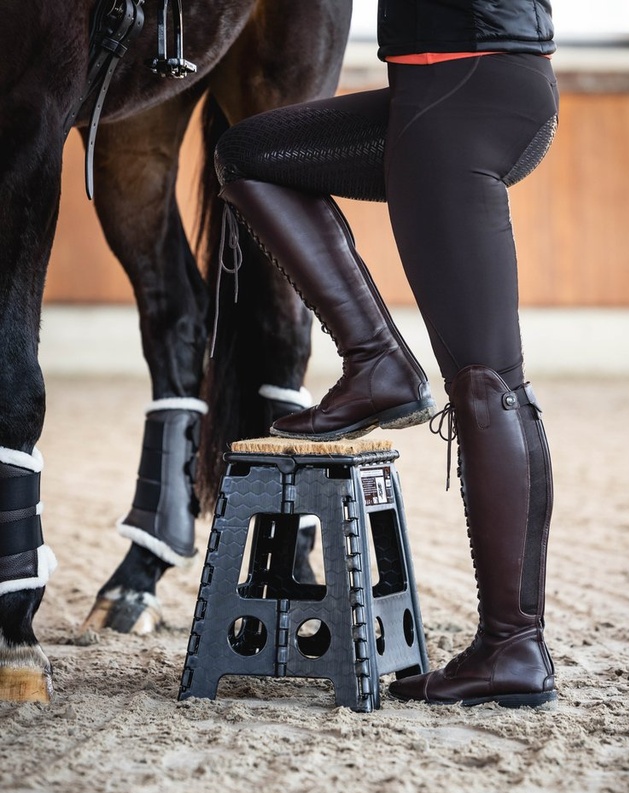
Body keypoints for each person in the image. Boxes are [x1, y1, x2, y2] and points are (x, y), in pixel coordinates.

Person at [214, 0, 559, 708]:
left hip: (460, 90)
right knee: (249, 156)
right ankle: (375, 361)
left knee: (487, 382)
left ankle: (512, 646)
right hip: (455, 88)